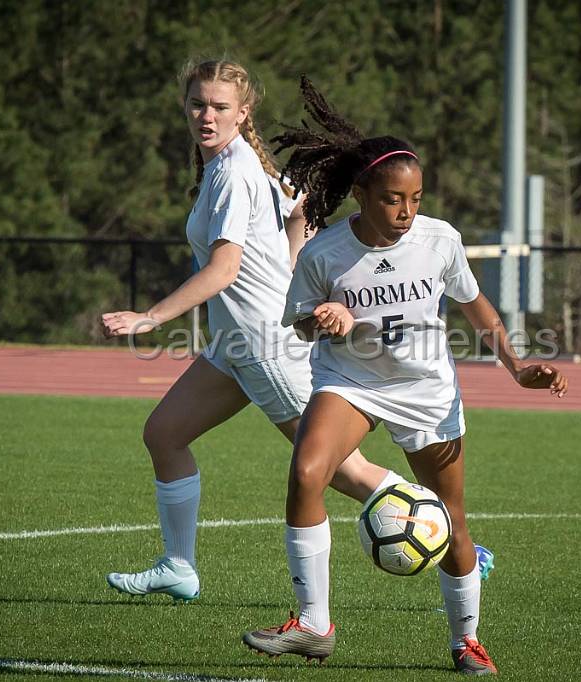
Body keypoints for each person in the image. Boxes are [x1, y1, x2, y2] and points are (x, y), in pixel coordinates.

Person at [242, 77, 567, 675]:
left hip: (426, 392)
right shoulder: (326, 254)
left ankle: (465, 641)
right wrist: (325, 318)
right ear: (363, 193)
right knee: (308, 470)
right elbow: (299, 327)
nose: (408, 211)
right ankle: (314, 623)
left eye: (416, 198)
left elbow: (476, 308)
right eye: (395, 199)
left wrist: (518, 365)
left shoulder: (439, 239)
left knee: (454, 522)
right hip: (352, 382)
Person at [100, 59, 415, 602]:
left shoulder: (231, 171)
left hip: (265, 345)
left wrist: (150, 317)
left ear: (242, 112)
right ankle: (179, 566)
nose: (207, 114)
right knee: (164, 435)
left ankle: (454, 543)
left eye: (220, 106)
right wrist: (292, 267)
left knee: (341, 470)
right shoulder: (243, 165)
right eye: (198, 103)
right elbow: (302, 214)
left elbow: (223, 268)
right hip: (234, 345)